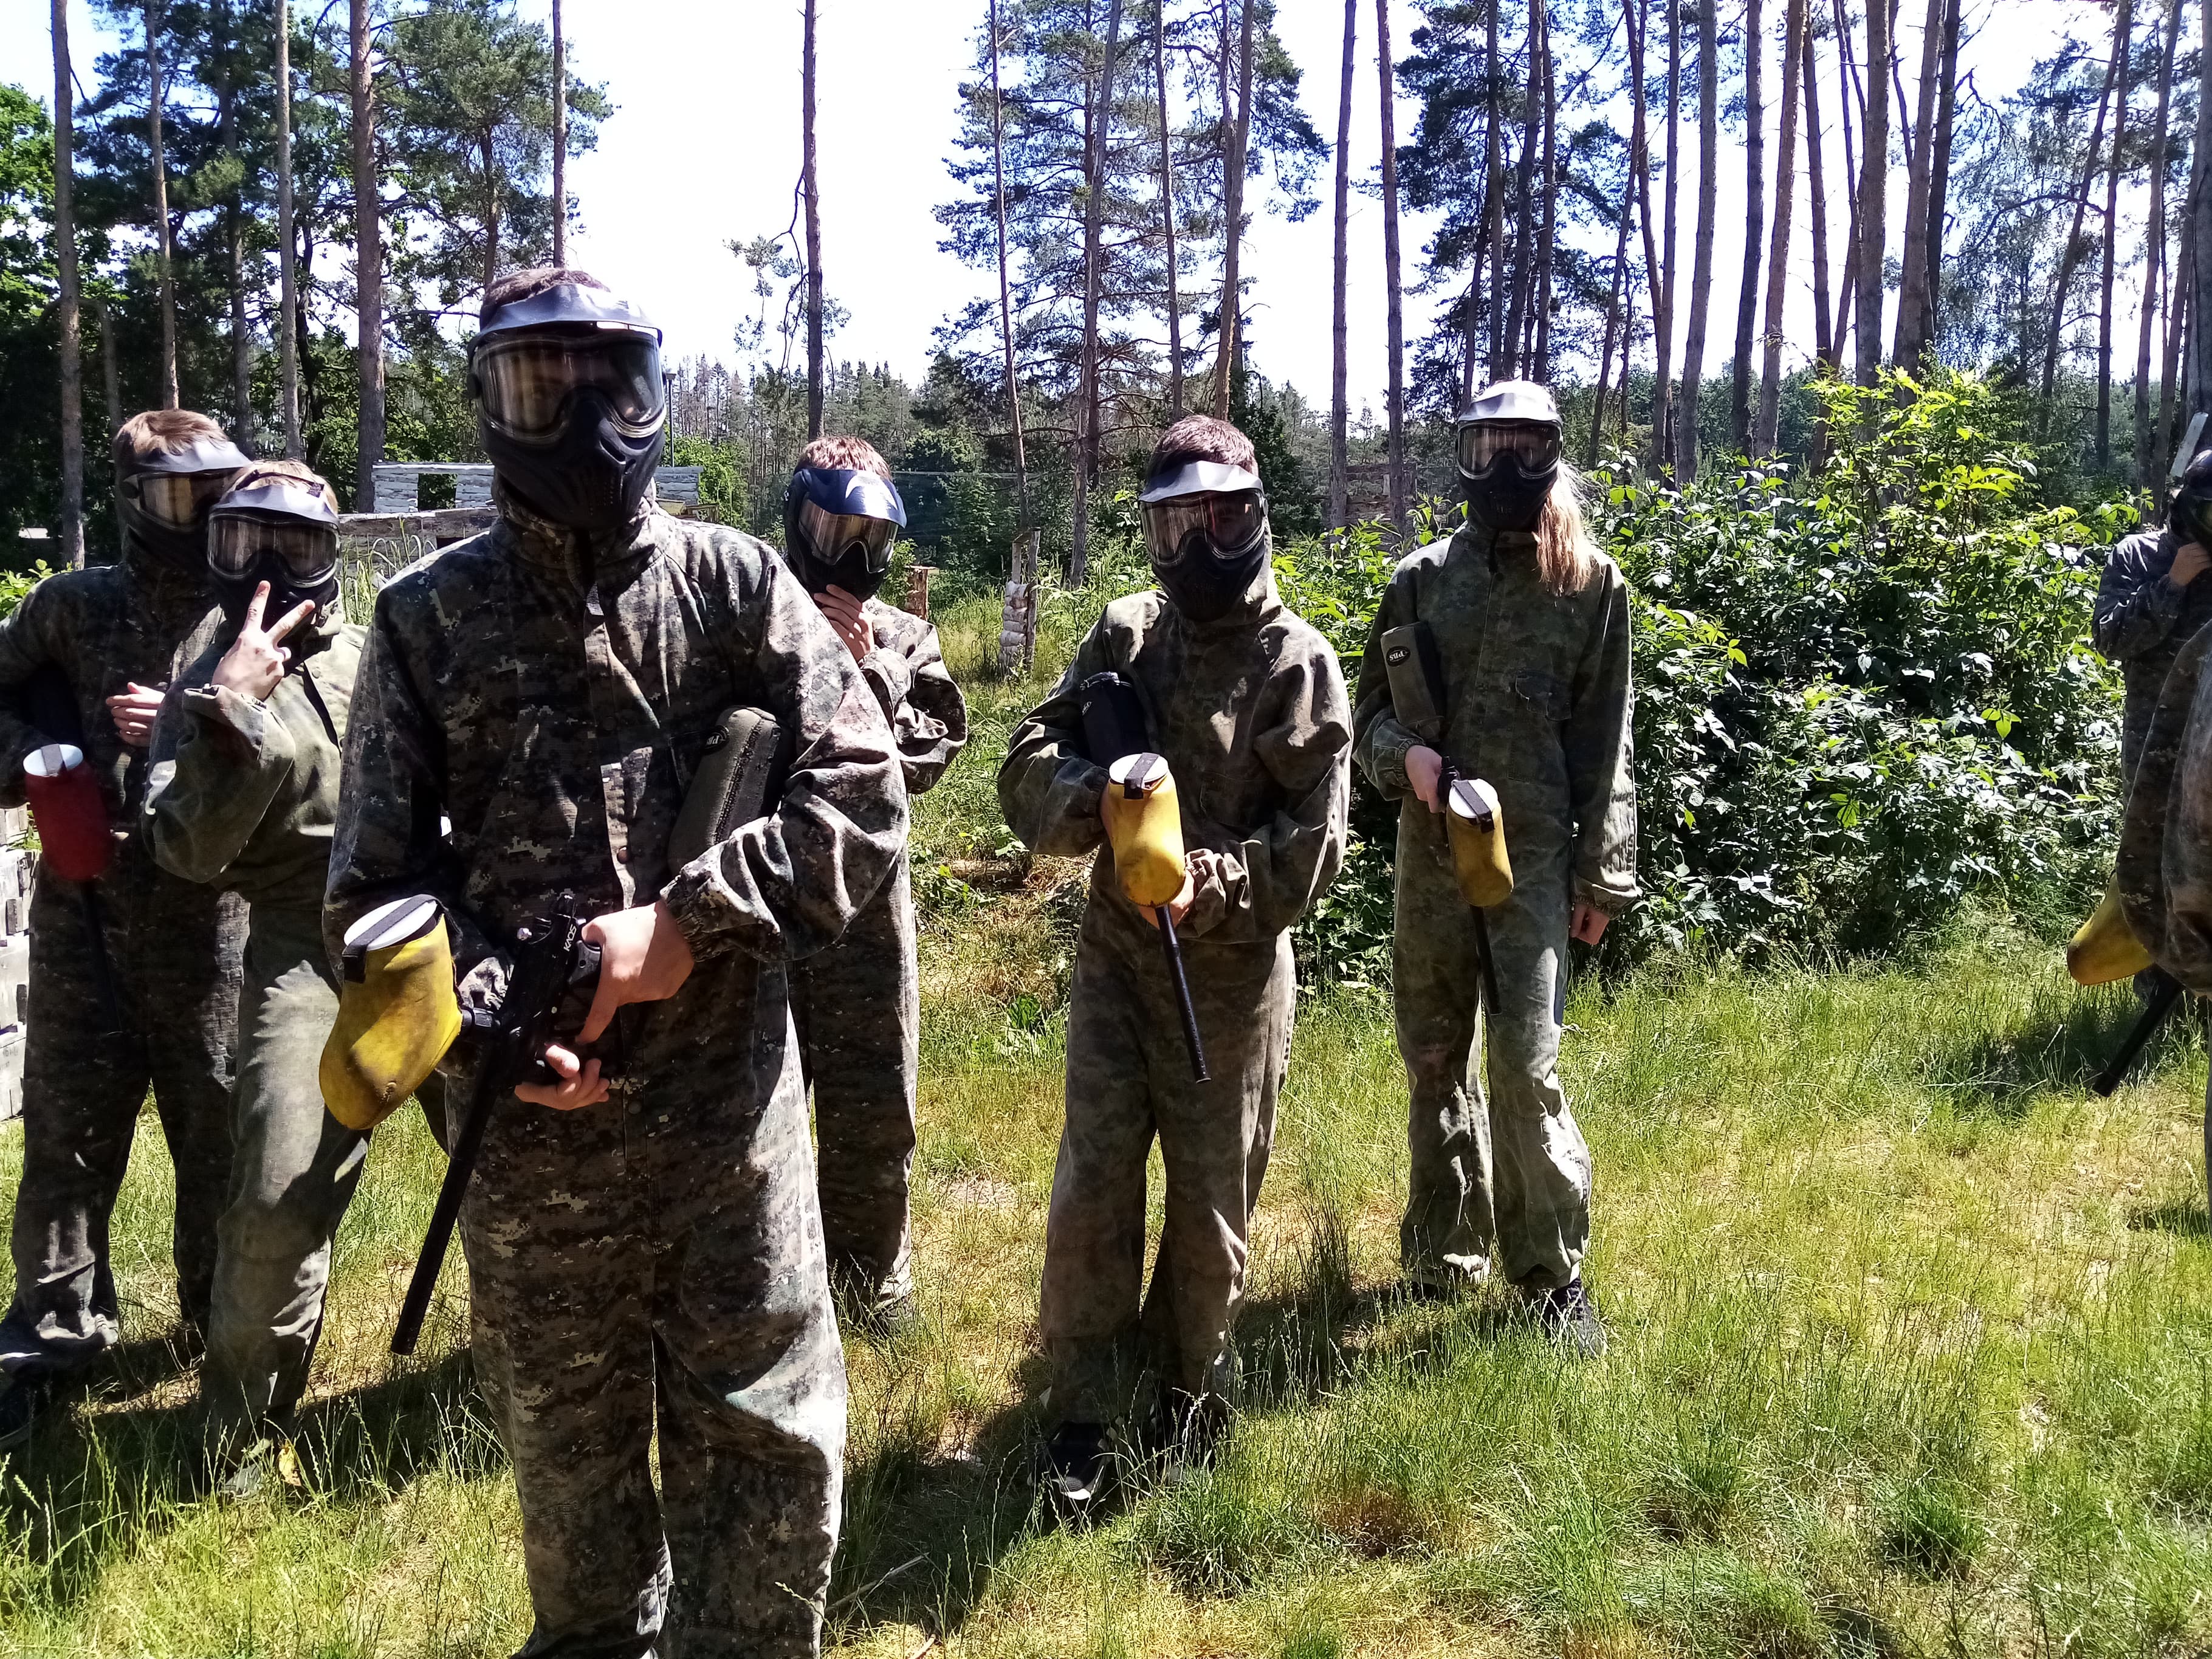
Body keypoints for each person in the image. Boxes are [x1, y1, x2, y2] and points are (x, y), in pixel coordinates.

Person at [325, 267, 905, 1658]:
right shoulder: (425, 620)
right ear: (490, 401)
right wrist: (495, 1017)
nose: (582, 417)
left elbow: (863, 794)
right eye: (542, 385)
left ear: (652, 390)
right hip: (532, 1161)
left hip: (728, 1138)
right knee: (579, 1527)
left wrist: (689, 926)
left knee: (767, 1488)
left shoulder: (734, 584)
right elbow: (370, 891)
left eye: (611, 382)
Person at [998, 414, 1351, 1508]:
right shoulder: (1125, 635)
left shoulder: (1297, 663)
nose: (1198, 546)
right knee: (1094, 1185)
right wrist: (1095, 802)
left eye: (1222, 519)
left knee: (1210, 1205)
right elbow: (1027, 761)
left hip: (1232, 981)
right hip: (1117, 963)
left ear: (1258, 517)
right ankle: (1085, 1410)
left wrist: (1211, 882)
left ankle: (1191, 1394)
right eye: (1174, 524)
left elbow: (1315, 849)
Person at [1350, 380, 1636, 1356]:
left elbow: (1606, 742)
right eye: (1487, 448)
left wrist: (1603, 876)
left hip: (1536, 864)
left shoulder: (1589, 585)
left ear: (1552, 454)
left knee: (1524, 1062)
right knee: (1434, 1056)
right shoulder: (1421, 579)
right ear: (1463, 457)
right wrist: (1407, 762)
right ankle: (1443, 1252)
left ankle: (1552, 1275)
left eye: (1525, 447)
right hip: (1431, 857)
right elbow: (1366, 720)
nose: (1506, 467)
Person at [0, 410, 249, 1444]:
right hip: (86, 907)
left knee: (219, 1128)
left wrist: (193, 719)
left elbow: (311, 735)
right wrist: (36, 761)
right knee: (68, 1129)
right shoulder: (70, 606)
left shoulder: (252, 610)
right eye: (177, 496)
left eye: (213, 494)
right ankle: (54, 1334)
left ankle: (218, 1326)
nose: (198, 517)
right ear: (133, 499)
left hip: (214, 910)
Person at [140, 461, 364, 1475]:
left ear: (330, 554)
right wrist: (232, 714)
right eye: (244, 544)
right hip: (301, 942)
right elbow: (187, 851)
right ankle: (240, 1434)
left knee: (523, 1154)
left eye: (294, 544)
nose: (268, 570)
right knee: (275, 1194)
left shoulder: (384, 650)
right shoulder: (203, 673)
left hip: (428, 931)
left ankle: (543, 1381)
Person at [778, 438, 967, 1330]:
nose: (852, 559)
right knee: (752, 1103)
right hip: (768, 898)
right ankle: (766, 1286)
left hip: (869, 913)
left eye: (872, 539)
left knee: (876, 1100)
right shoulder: (754, 614)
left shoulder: (904, 636)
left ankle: (869, 1282)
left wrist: (873, 675)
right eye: (835, 532)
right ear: (799, 522)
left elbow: (930, 753)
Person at [2094, 447, 2212, 786]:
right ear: (2191, 507)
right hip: (2156, 750)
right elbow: (2110, 642)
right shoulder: (2138, 555)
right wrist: (2172, 584)